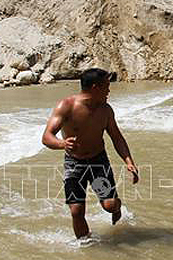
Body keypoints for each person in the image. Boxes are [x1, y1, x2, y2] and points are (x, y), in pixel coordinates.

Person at [41, 68, 139, 239]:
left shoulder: (106, 110)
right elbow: (46, 137)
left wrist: (129, 161)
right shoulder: (66, 106)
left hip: (98, 163)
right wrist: (62, 143)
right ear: (95, 88)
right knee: (76, 211)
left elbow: (117, 137)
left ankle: (117, 206)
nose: (109, 91)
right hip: (74, 163)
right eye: (107, 87)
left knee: (109, 205)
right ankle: (86, 245)